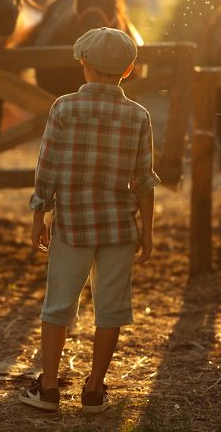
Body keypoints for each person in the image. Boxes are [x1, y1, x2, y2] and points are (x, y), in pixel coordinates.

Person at [19, 27, 160, 413]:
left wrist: (38, 215)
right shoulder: (138, 115)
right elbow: (143, 179)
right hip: (118, 228)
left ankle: (48, 389)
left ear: (84, 64)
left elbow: (45, 168)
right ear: (129, 70)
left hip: (73, 226)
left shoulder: (63, 108)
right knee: (111, 309)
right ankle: (95, 389)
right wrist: (146, 230)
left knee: (58, 305)